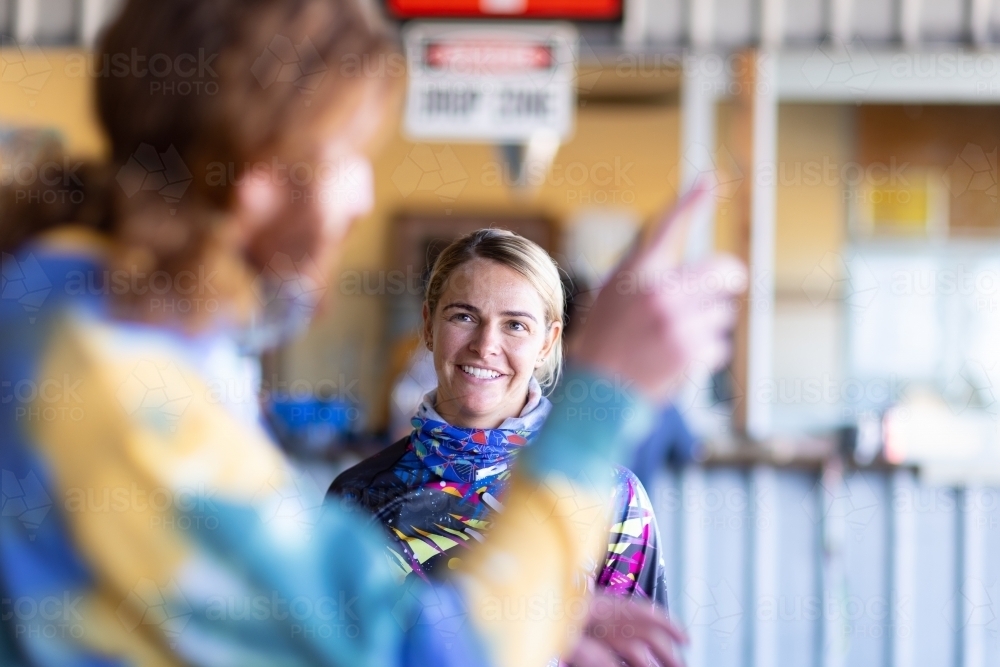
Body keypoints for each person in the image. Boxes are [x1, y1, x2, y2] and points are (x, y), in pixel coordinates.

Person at [0, 1, 745, 665]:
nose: (362, 194)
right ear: (257, 175)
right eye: (345, 158)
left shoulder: (66, 297)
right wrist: (601, 395)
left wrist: (536, 622)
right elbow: (419, 651)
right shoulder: (116, 380)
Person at [330, 230, 668, 614]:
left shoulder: (612, 497)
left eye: (515, 325)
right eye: (464, 315)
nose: (485, 344)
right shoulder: (357, 495)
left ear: (547, 341)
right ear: (428, 325)